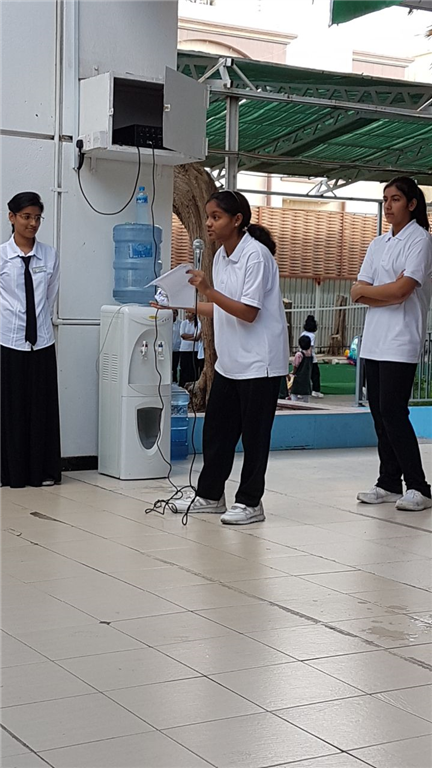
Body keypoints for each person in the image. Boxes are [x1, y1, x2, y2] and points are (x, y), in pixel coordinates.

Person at [173, 190, 289, 525]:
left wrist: (208, 291)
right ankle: (210, 495)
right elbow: (222, 308)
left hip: (260, 363)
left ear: (237, 220)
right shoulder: (221, 256)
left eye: (216, 217)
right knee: (216, 433)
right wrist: (179, 304)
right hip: (229, 362)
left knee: (254, 437)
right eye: (208, 216)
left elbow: (248, 312)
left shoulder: (256, 256)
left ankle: (251, 502)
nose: (209, 223)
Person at [351, 176, 432, 512]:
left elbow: (403, 291)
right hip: (374, 340)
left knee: (394, 412)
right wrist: (383, 292)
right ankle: (388, 481)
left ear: (412, 204)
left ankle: (419, 486)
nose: (388, 205)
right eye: (385, 199)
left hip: (401, 338)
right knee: (379, 415)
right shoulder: (378, 243)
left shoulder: (421, 240)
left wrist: (375, 293)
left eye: (395, 199)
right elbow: (357, 291)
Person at [0, 192, 61, 488]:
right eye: (26, 217)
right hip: (8, 342)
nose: (32, 223)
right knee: (9, 409)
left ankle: (42, 471)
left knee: (41, 408)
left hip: (41, 342)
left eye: (37, 217)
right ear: (12, 218)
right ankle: (7, 473)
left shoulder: (50, 255)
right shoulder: (2, 256)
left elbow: (49, 297)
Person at [301, 314, 323, 398]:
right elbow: (310, 347)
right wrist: (309, 357)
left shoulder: (303, 333)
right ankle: (315, 390)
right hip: (310, 357)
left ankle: (301, 390)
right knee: (315, 374)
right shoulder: (312, 335)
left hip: (302, 355)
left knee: (303, 374)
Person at [179, 310, 201, 387]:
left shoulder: (197, 324)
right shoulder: (184, 323)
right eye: (186, 312)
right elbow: (182, 335)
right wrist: (192, 336)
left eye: (189, 312)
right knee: (184, 367)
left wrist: (188, 337)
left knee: (192, 368)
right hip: (184, 349)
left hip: (194, 349)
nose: (187, 314)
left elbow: (197, 337)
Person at [290, 335, 313, 402]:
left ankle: (294, 403)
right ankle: (306, 403)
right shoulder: (310, 354)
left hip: (299, 376)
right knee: (306, 393)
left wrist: (293, 372)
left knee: (294, 392)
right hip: (307, 376)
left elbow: (295, 365)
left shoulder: (299, 354)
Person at [172, 309, 181, 383]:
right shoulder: (167, 323)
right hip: (168, 348)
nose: (173, 314)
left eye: (174, 313)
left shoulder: (180, 323)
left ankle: (175, 380)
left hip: (177, 348)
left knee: (175, 366)